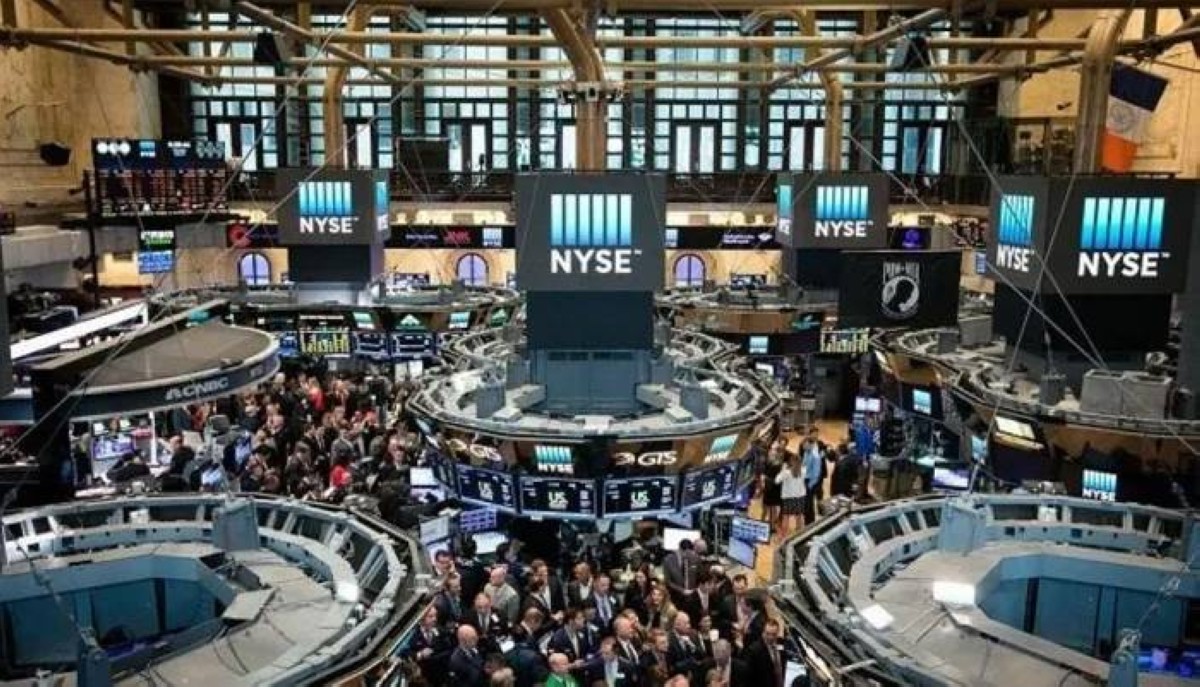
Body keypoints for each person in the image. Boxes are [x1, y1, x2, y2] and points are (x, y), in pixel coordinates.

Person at [744, 619, 785, 687]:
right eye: (768, 634)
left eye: (774, 634)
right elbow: (749, 677)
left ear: (777, 633)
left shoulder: (781, 645)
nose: (770, 637)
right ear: (763, 632)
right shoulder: (754, 650)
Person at [774, 453, 807, 536]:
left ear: (791, 462)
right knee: (799, 517)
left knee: (786, 517)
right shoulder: (804, 471)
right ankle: (799, 535)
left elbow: (776, 481)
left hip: (788, 497)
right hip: (800, 497)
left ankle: (784, 537)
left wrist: (782, 469)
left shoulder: (786, 472)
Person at [761, 440, 785, 528]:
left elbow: (767, 474)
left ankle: (765, 524)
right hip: (775, 487)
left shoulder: (774, 463)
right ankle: (771, 525)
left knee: (768, 507)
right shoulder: (780, 463)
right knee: (772, 507)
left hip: (771, 487)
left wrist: (765, 478)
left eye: (773, 450)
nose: (771, 451)